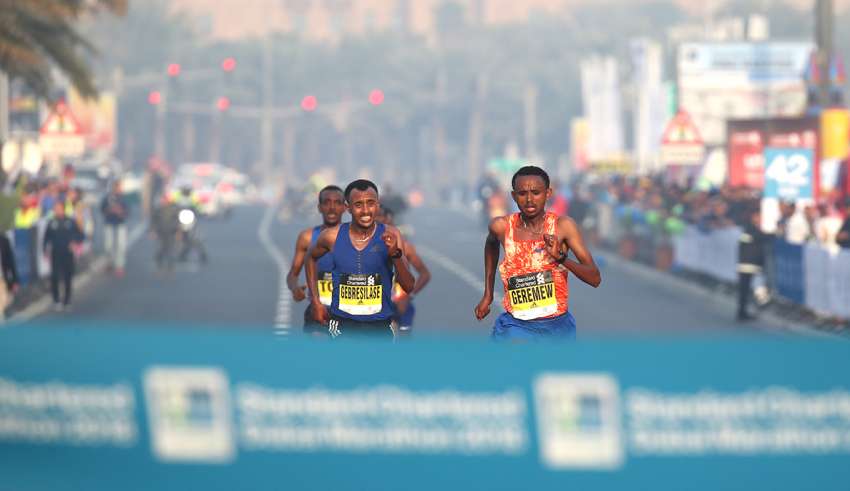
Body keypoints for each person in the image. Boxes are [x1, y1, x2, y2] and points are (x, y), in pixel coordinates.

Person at [474, 166, 601, 340]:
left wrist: (561, 258)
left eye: (536, 193)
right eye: (522, 193)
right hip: (516, 324)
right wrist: (488, 294)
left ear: (548, 194)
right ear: (513, 196)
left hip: (557, 326)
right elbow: (491, 245)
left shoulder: (563, 227)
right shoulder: (501, 227)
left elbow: (594, 278)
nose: (529, 200)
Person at [305, 179, 415, 339]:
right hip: (342, 325)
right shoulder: (331, 236)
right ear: (347, 207)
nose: (365, 211)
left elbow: (409, 285)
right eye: (358, 205)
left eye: (370, 203)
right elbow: (310, 258)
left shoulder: (391, 235)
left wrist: (395, 255)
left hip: (379, 326)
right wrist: (316, 301)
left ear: (377, 205)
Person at [286, 185, 346, 334]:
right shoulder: (307, 237)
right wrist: (294, 288)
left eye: (337, 203)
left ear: (345, 207)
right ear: (319, 207)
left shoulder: (354, 237)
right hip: (318, 309)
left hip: (349, 312)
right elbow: (293, 273)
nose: (332, 208)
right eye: (326, 203)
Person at [376, 206, 431, 335]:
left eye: (381, 217)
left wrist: (409, 296)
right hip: (375, 304)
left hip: (399, 303)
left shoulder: (405, 247)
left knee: (403, 338)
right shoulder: (362, 247)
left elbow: (425, 274)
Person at [43, 201, 85, 311]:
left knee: (68, 276)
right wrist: (45, 250)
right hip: (55, 252)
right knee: (55, 276)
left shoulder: (70, 222)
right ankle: (56, 300)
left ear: (63, 209)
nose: (57, 211)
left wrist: (75, 242)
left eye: (59, 208)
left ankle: (67, 300)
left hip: (68, 252)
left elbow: (80, 235)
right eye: (55, 208)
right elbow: (46, 238)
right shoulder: (51, 223)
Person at [736, 207, 773, 321]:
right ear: (754, 217)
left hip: (749, 265)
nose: (761, 219)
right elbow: (761, 237)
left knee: (746, 290)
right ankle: (743, 312)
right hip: (748, 264)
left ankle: (743, 311)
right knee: (746, 290)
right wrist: (775, 234)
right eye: (759, 216)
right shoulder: (750, 229)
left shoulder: (751, 229)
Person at [101, 181, 130, 277]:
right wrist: (110, 209)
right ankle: (109, 262)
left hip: (120, 224)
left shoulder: (123, 199)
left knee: (121, 246)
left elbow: (127, 212)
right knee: (108, 245)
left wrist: (120, 211)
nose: (119, 189)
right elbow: (102, 209)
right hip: (109, 223)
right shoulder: (108, 198)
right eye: (117, 187)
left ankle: (119, 266)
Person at [151, 194, 179, 273]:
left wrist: (178, 231)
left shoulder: (174, 208)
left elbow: (177, 221)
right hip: (161, 232)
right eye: (163, 199)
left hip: (171, 231)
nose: (164, 201)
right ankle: (159, 262)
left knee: (170, 248)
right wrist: (153, 231)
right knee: (161, 248)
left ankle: (170, 266)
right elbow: (154, 220)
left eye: (166, 199)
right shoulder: (158, 209)